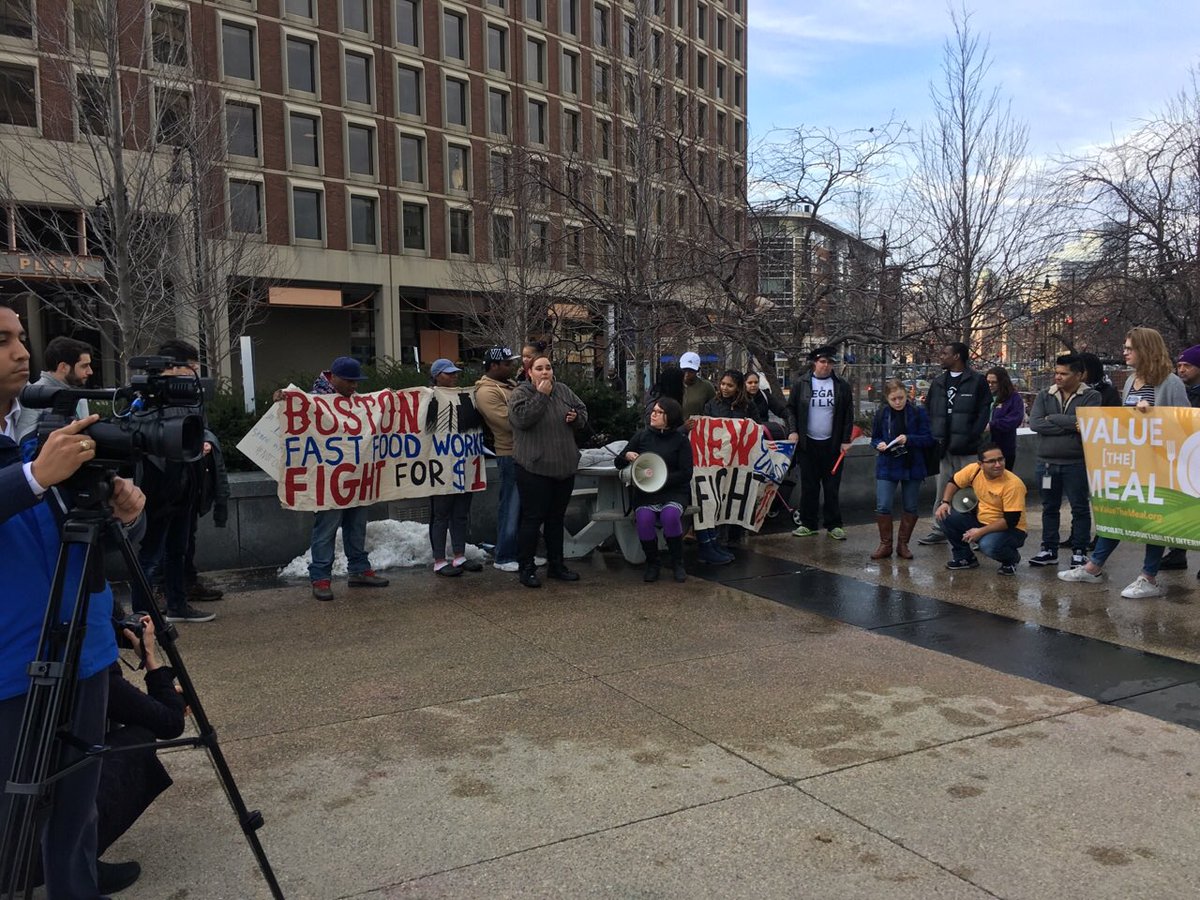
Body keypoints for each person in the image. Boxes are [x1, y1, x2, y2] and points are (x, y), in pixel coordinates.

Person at [1, 300, 146, 899]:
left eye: (19, 336)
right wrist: (36, 476)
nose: (21, 351)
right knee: (13, 808)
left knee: (77, 798)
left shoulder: (39, 431)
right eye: (2, 340)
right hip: (12, 665)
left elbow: (84, 539)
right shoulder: (35, 452)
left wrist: (123, 514)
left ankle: (76, 883)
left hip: (82, 647)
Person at [1059, 327, 1189, 598]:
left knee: (1155, 519)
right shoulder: (1131, 381)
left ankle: (1148, 576)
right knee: (1120, 512)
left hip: (1160, 465)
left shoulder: (1170, 383)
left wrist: (1153, 414)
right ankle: (1094, 566)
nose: (1124, 352)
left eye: (1130, 348)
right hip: (1132, 462)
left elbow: (1185, 424)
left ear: (1145, 349)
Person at [94, 612, 187, 891]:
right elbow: (170, 722)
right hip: (24, 834)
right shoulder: (88, 665)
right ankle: (75, 862)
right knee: (140, 738)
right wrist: (151, 661)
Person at [131, 340, 217, 624]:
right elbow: (139, 437)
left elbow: (200, 429)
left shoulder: (190, 397)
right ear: (172, 366)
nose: (194, 372)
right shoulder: (145, 397)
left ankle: (178, 605)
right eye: (190, 367)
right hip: (159, 486)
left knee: (178, 551)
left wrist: (202, 442)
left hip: (187, 484)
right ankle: (141, 615)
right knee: (151, 554)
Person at [307, 356, 390, 601]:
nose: (354, 386)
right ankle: (320, 578)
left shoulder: (354, 401)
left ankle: (359, 570)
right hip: (330, 480)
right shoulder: (314, 400)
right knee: (326, 529)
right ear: (333, 378)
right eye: (350, 381)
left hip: (356, 476)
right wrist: (283, 398)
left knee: (356, 525)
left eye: (356, 382)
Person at [508, 354, 589, 588]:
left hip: (563, 467)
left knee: (556, 519)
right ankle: (527, 568)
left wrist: (576, 418)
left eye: (548, 368)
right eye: (539, 368)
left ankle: (557, 565)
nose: (545, 372)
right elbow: (522, 420)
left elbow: (582, 411)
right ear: (529, 373)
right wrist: (541, 395)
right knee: (532, 519)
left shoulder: (562, 390)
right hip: (534, 468)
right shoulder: (521, 393)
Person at [1027, 355, 1100, 569]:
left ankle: (1079, 551)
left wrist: (1053, 418)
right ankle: (1049, 549)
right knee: (1049, 507)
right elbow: (1035, 423)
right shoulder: (1044, 395)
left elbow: (1088, 424)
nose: (1058, 377)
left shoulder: (1091, 396)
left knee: (1079, 507)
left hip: (1076, 462)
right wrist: (1071, 425)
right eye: (1056, 373)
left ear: (1078, 375)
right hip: (1046, 463)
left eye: (1063, 373)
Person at [917, 342, 991, 545]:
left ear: (957, 356)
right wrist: (933, 434)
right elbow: (929, 409)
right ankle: (940, 529)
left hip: (967, 448)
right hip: (943, 448)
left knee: (971, 491)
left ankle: (975, 532)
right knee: (943, 491)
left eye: (945, 353)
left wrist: (972, 435)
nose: (941, 356)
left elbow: (984, 411)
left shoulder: (977, 381)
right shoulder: (939, 382)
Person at [615, 397, 693, 582]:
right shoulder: (641, 436)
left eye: (659, 412)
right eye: (653, 411)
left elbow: (686, 473)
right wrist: (626, 455)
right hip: (646, 494)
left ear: (670, 417)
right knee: (644, 520)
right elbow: (618, 462)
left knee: (670, 516)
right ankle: (653, 563)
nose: (653, 414)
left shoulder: (681, 441)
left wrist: (660, 478)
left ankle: (677, 563)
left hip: (673, 492)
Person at [788, 346, 854, 541]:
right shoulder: (801, 384)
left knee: (831, 487)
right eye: (822, 362)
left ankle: (834, 524)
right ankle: (808, 523)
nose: (826, 366)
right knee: (809, 486)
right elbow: (791, 409)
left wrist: (846, 440)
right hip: (808, 444)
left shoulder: (841, 385)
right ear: (815, 363)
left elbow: (848, 414)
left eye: (830, 362)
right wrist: (793, 430)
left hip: (832, 445)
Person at [936, 442, 1028, 576]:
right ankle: (965, 558)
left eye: (1000, 459)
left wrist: (979, 532)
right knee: (944, 515)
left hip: (1011, 530)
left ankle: (1011, 559)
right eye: (991, 461)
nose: (998, 464)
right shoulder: (974, 470)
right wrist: (945, 502)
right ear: (980, 464)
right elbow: (954, 482)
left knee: (988, 546)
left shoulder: (1013, 484)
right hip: (981, 521)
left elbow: (1010, 521)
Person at [427, 359, 482, 577]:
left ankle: (459, 555)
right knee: (441, 514)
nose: (454, 376)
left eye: (455, 373)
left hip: (463, 464)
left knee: (460, 512)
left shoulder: (464, 397)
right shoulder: (427, 398)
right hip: (440, 466)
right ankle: (439, 560)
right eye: (448, 373)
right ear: (436, 376)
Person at [870, 379, 934, 560]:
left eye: (901, 398)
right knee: (883, 504)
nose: (898, 402)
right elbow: (874, 437)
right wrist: (879, 444)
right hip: (888, 463)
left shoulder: (918, 412)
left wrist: (909, 439)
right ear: (887, 398)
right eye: (893, 399)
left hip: (912, 463)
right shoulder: (882, 413)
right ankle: (885, 544)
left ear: (907, 396)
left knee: (911, 505)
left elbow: (929, 438)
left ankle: (903, 544)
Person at [475, 347, 522, 572]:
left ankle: (520, 552)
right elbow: (509, 422)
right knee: (511, 506)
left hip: (526, 452)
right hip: (509, 453)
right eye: (506, 363)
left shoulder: (511, 385)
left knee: (524, 507)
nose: (511, 366)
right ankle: (504, 556)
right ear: (493, 366)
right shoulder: (486, 392)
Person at [697, 370, 754, 560]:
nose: (725, 388)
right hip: (717, 460)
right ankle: (717, 539)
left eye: (730, 385)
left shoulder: (748, 405)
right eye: (722, 384)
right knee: (718, 496)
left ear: (738, 387)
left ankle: (735, 538)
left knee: (735, 495)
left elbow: (756, 428)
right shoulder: (712, 405)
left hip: (739, 461)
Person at [13, 335, 93, 444]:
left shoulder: (76, 394)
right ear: (63, 367)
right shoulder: (35, 396)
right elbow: (26, 443)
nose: (90, 371)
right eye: (84, 366)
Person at [984, 366, 1024, 471]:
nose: (990, 385)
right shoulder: (982, 396)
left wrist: (992, 425)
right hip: (983, 446)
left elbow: (1015, 420)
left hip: (1004, 447)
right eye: (988, 382)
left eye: (994, 382)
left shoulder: (1013, 398)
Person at [745, 370, 797, 441]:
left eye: (756, 382)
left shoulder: (765, 395)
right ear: (744, 383)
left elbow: (783, 411)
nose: (753, 385)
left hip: (763, 435)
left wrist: (792, 431)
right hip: (744, 436)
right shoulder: (739, 398)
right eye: (750, 383)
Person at [679, 351, 716, 420]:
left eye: (691, 371)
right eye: (684, 370)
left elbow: (714, 408)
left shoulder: (706, 386)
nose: (687, 374)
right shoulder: (673, 385)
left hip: (698, 424)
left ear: (698, 370)